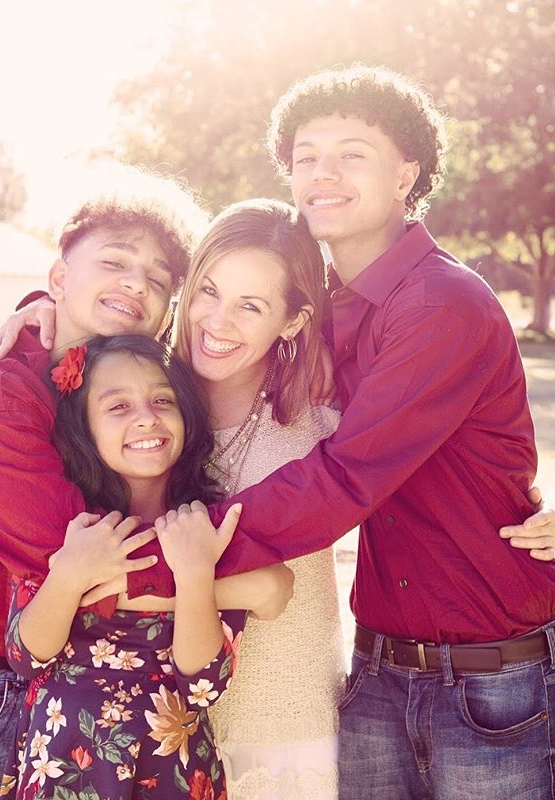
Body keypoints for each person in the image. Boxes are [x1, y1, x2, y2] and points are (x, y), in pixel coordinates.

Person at [106, 65, 555, 799]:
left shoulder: (442, 303)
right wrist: (44, 315)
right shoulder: (328, 313)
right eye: (307, 156)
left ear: (408, 173)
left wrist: (165, 557)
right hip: (377, 673)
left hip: (489, 678)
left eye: (352, 153)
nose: (324, 174)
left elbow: (344, 479)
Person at [0, 171, 291, 800]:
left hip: (79, 719)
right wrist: (247, 583)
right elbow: (77, 560)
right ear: (60, 279)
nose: (135, 285)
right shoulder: (2, 397)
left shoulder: (97, 393)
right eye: (114, 262)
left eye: (158, 280)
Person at [1, 333, 247, 799]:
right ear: (83, 428)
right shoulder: (63, 520)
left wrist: (196, 574)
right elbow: (24, 656)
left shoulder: (207, 525)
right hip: (62, 761)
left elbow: (203, 686)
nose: (146, 418)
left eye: (162, 399)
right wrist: (70, 575)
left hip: (171, 769)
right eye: (118, 407)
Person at [174, 198, 345, 799]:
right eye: (209, 291)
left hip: (282, 721)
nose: (217, 322)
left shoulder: (323, 421)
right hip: (153, 723)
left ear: (293, 321)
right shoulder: (142, 401)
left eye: (251, 306)